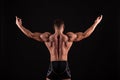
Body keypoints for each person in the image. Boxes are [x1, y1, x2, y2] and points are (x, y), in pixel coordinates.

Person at [16, 15, 103, 80]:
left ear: (54, 27)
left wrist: (19, 25)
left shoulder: (47, 37)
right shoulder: (69, 37)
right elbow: (84, 34)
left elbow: (30, 35)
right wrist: (96, 23)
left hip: (52, 65)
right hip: (64, 65)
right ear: (63, 27)